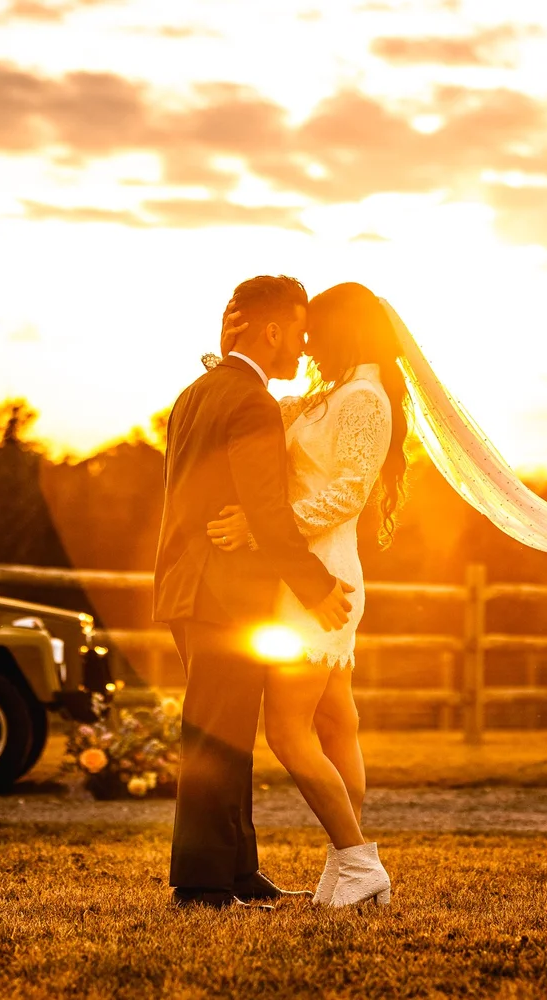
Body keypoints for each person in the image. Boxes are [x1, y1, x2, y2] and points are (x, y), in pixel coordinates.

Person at [152, 274, 355, 911]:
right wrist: (316, 584)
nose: (302, 346)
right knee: (215, 738)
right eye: (297, 332)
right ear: (271, 331)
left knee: (228, 734)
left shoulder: (196, 393)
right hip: (223, 591)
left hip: (189, 585)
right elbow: (265, 510)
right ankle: (203, 885)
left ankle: (238, 873)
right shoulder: (250, 402)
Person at [206, 281, 407, 907]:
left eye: (315, 327)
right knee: (336, 720)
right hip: (309, 569)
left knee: (288, 732)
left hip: (318, 577)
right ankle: (346, 868)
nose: (305, 339)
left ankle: (356, 861)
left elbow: (348, 494)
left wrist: (265, 531)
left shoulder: (365, 400)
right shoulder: (327, 397)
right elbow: (248, 395)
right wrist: (228, 345)